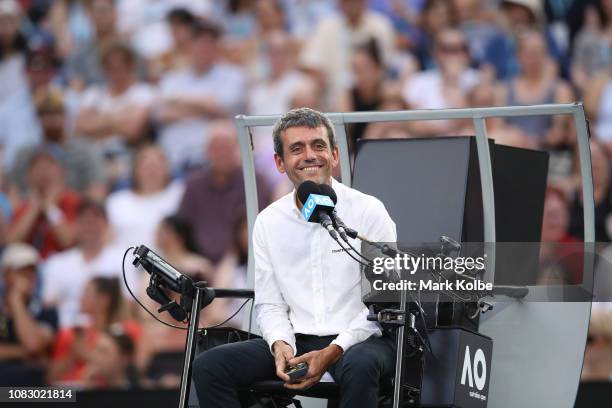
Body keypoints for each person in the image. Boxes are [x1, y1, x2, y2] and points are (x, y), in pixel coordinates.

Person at [192, 108, 397, 408]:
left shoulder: (368, 211)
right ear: (279, 162)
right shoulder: (268, 221)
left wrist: (335, 349)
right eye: (296, 149)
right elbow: (270, 303)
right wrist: (280, 345)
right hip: (298, 338)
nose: (309, 156)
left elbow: (380, 307)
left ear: (335, 155)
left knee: (360, 365)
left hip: (363, 340)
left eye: (318, 146)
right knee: (209, 366)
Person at [177, 120, 271, 264]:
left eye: (227, 146)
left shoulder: (255, 181)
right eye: (216, 147)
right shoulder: (193, 184)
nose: (222, 153)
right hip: (198, 264)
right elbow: (180, 227)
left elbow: (262, 229)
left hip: (245, 262)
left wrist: (232, 260)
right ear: (206, 151)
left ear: (239, 148)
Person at [0, 243, 58, 386]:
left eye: (32, 272)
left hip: (31, 392)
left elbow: (32, 344)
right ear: (5, 274)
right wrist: (22, 353)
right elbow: (30, 350)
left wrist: (16, 301)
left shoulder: (46, 312)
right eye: (20, 272)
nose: (28, 277)